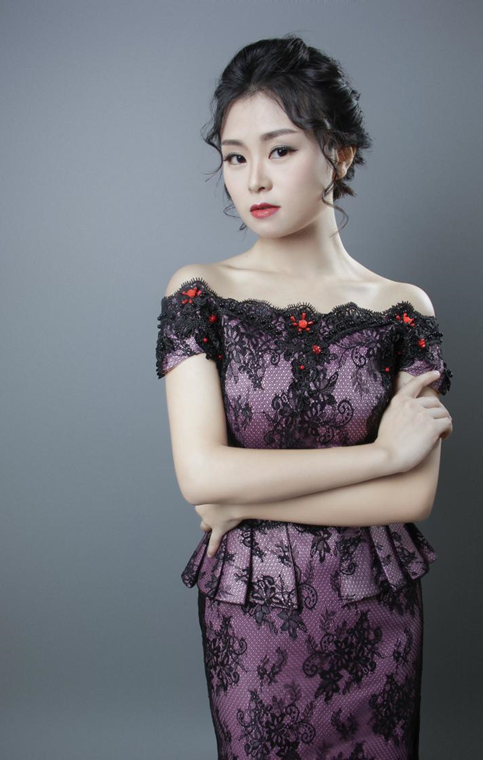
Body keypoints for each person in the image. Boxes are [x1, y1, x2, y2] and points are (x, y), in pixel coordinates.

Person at [155, 34, 454, 760]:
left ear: (339, 154)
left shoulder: (404, 308)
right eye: (235, 157)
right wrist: (382, 454)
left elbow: (411, 498)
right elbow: (202, 476)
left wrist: (244, 500)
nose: (253, 179)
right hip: (255, 611)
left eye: (280, 150)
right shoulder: (199, 292)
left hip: (375, 606)